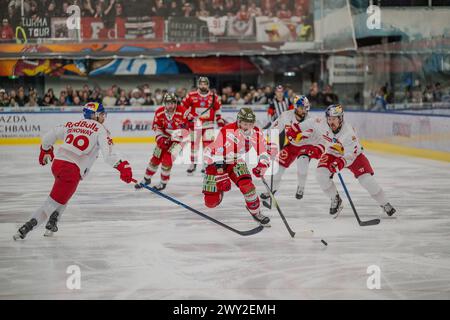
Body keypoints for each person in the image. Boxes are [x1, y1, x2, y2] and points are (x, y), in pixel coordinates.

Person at [13, 102, 134, 240]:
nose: (103, 117)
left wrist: (45, 150)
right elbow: (109, 155)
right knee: (51, 203)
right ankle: (26, 228)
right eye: (101, 114)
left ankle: (53, 220)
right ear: (93, 115)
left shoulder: (72, 124)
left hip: (58, 165)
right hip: (71, 170)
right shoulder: (101, 129)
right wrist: (122, 166)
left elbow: (49, 136)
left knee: (64, 193)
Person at [316, 104, 396, 217]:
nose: (330, 122)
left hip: (353, 156)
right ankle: (335, 199)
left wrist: (341, 162)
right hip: (332, 153)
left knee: (367, 181)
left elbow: (350, 154)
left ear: (340, 118)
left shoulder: (348, 133)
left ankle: (384, 203)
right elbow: (309, 125)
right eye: (329, 119)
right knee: (320, 175)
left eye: (333, 119)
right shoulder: (323, 125)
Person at [202, 107, 272, 226]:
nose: (248, 127)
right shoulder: (227, 130)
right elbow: (217, 152)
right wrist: (220, 175)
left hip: (235, 160)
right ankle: (219, 192)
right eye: (245, 123)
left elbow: (264, 152)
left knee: (248, 186)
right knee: (210, 203)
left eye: (250, 124)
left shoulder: (255, 132)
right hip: (214, 161)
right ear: (239, 121)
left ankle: (256, 212)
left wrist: (262, 165)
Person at [260, 95, 325, 205]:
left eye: (306, 107)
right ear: (296, 107)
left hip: (306, 145)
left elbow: (321, 137)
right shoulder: (286, 116)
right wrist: (269, 144)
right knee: (278, 169)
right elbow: (274, 129)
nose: (304, 110)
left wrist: (320, 148)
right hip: (292, 145)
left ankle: (301, 187)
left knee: (302, 162)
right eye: (301, 107)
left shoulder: (311, 120)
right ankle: (270, 190)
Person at [135, 93, 190, 191]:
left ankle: (163, 183)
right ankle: (146, 179)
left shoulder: (183, 111)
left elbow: (188, 130)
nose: (171, 106)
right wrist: (160, 139)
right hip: (164, 138)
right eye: (168, 103)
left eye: (172, 103)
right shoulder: (159, 112)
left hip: (179, 141)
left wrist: (187, 126)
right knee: (155, 158)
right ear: (165, 104)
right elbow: (157, 127)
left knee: (167, 160)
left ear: (175, 103)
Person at [181, 76, 226, 175]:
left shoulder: (214, 97)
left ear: (208, 85)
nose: (203, 85)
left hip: (208, 126)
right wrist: (188, 115)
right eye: (201, 83)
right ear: (198, 84)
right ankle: (193, 164)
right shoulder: (191, 95)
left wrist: (220, 121)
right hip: (194, 125)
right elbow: (182, 107)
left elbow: (218, 111)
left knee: (208, 146)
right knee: (194, 146)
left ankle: (206, 165)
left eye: (205, 84)